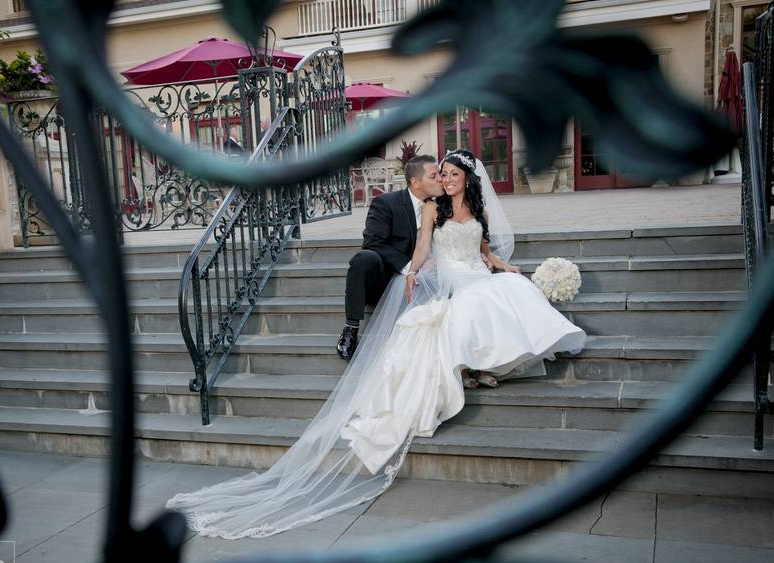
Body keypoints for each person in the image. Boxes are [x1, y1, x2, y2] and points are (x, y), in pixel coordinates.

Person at [166, 150, 585, 539]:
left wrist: (501, 265)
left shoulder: (476, 209)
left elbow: (484, 249)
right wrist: (413, 273)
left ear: (466, 180)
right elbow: (421, 247)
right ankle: (459, 363)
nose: (446, 180)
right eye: (442, 175)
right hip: (445, 275)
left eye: (452, 175)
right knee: (460, 306)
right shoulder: (429, 208)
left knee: (508, 287)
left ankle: (490, 361)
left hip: (475, 271)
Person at [337, 154, 444, 360]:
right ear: (416, 182)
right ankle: (351, 327)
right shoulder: (386, 203)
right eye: (434, 175)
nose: (440, 179)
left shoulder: (444, 205)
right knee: (364, 258)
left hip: (433, 274)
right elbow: (373, 242)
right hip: (389, 275)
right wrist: (410, 268)